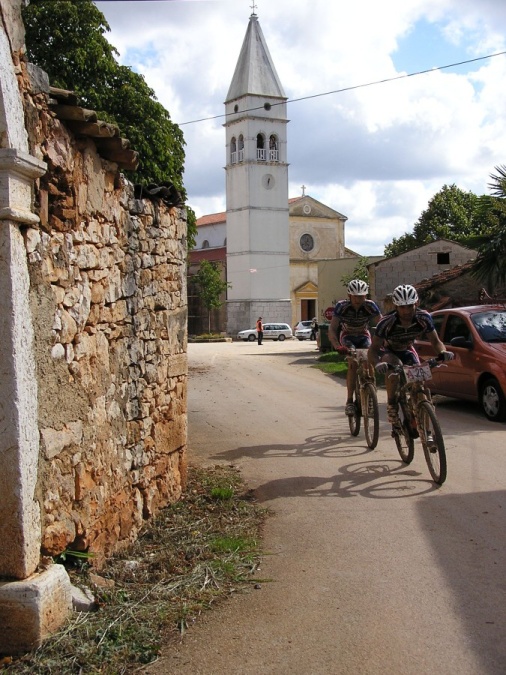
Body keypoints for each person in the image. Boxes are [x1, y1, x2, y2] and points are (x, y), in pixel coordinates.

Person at [368, 284, 455, 426]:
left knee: (419, 381)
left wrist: (443, 352)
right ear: (396, 306)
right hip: (389, 351)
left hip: (407, 349)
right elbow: (373, 349)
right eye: (402, 307)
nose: (406, 311)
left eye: (410, 306)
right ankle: (392, 405)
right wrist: (377, 363)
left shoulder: (424, 317)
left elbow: (435, 341)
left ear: (417, 303)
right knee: (395, 368)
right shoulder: (386, 322)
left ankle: (418, 409)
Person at [329, 279, 382, 416]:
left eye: (361, 296)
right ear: (349, 295)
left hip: (363, 334)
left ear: (366, 295)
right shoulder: (342, 306)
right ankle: (349, 401)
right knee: (352, 364)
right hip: (347, 335)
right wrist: (337, 346)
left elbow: (382, 325)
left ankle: (371, 391)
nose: (358, 300)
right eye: (355, 296)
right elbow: (332, 329)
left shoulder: (370, 306)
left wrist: (383, 343)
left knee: (369, 359)